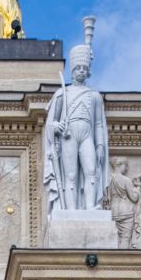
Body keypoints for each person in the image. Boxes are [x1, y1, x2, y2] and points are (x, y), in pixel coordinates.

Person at [43, 19, 109, 215]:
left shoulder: (94, 96)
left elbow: (98, 124)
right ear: (72, 71)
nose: (81, 71)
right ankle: (70, 210)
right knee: (70, 175)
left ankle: (90, 207)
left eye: (84, 68)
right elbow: (51, 123)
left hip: (87, 136)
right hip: (69, 135)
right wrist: (56, 127)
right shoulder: (62, 93)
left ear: (88, 71)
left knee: (91, 171)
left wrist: (100, 146)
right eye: (77, 68)